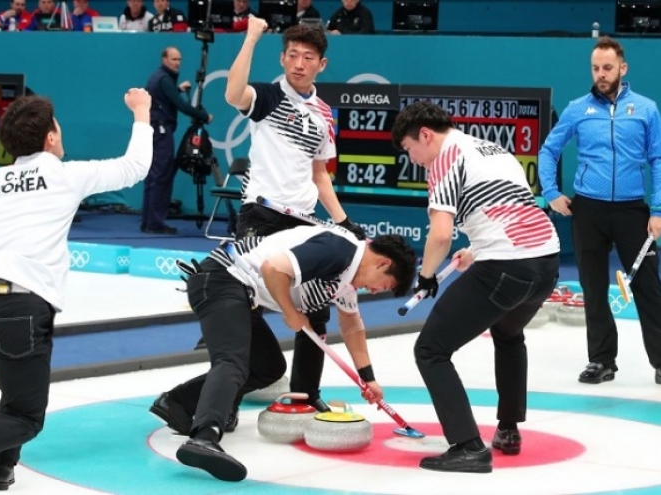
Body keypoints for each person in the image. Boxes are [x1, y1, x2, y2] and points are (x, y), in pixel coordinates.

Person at [0, 88, 153, 494]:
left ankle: (2, 467)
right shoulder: (65, 174)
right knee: (27, 415)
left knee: (17, 390)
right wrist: (142, 112)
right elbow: (135, 167)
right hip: (20, 311)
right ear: (51, 138)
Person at [152, 226, 416, 482]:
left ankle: (178, 403)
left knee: (267, 367)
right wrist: (291, 312)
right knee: (233, 361)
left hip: (241, 292)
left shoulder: (347, 276)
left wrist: (367, 378)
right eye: (382, 286)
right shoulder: (339, 249)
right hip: (221, 278)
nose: (373, 291)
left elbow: (352, 324)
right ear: (382, 263)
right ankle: (204, 437)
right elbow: (273, 268)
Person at [391, 101, 560, 473]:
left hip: (507, 267)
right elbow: (510, 210)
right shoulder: (494, 149)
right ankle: (508, 429)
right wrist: (477, 248)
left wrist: (427, 276)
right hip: (547, 264)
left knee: (431, 349)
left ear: (424, 134)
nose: (414, 159)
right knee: (508, 332)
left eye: (409, 150)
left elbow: (439, 237)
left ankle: (468, 446)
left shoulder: (443, 160)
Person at [223, 19, 366, 414]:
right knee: (239, 302)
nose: (299, 63)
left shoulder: (323, 113)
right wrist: (251, 37)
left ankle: (305, 393)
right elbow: (233, 92)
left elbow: (320, 175)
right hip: (261, 215)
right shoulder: (269, 97)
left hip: (303, 221)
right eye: (292, 55)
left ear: (322, 63)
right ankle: (227, 394)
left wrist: (342, 220)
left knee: (317, 308)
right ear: (283, 57)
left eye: (308, 57)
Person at [538, 36, 661, 386]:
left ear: (623, 68)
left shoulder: (647, 108)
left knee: (649, 287)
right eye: (596, 68)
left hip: (632, 212)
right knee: (593, 288)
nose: (601, 74)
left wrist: (658, 209)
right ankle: (602, 361)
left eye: (607, 67)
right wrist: (551, 193)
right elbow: (549, 150)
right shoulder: (578, 108)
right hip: (588, 210)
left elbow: (658, 159)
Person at [142, 46, 212, 235]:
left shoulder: (160, 78)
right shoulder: (164, 79)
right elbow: (180, 105)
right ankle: (155, 223)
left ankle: (148, 221)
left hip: (156, 129)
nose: (177, 63)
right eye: (174, 59)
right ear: (164, 59)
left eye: (179, 59)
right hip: (161, 130)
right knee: (162, 175)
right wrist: (204, 116)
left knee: (154, 175)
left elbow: (165, 97)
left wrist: (177, 89)